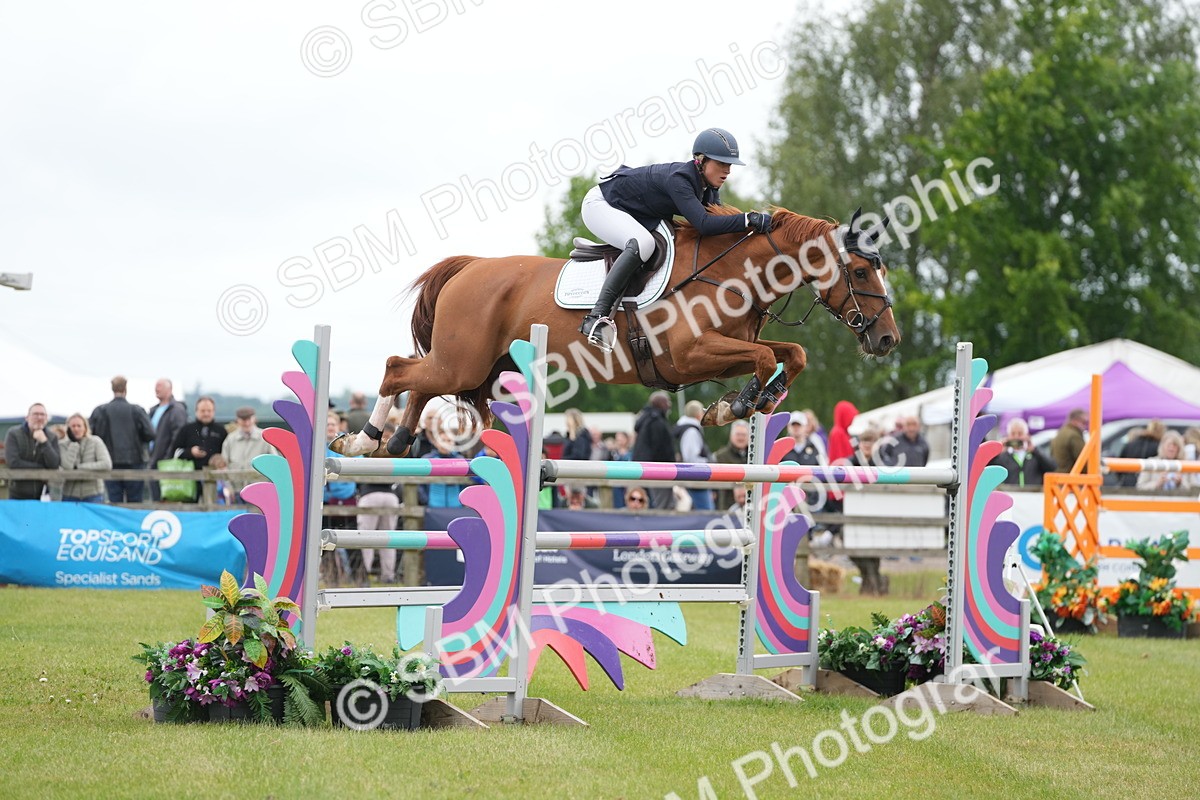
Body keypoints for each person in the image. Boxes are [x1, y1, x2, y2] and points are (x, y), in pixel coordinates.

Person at [577, 127, 774, 350]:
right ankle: (596, 316)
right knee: (643, 243)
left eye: (729, 165)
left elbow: (720, 228)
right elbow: (704, 224)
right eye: (721, 164)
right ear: (700, 161)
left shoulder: (708, 188)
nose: (727, 171)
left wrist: (753, 230)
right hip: (601, 204)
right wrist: (748, 219)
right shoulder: (679, 179)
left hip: (635, 211)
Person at [89, 376, 156, 503]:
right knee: (135, 502)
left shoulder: (100, 411)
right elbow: (151, 434)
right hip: (135, 462)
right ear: (126, 389)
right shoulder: (137, 411)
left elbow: (91, 434)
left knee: (114, 502)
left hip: (109, 462)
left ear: (112, 389)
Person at [170, 396, 227, 504]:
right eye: (202, 411)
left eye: (209, 411)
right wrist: (190, 452)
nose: (206, 413)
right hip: (190, 479)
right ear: (196, 411)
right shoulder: (187, 429)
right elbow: (175, 452)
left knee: (214, 509)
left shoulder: (221, 431)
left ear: (213, 412)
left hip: (214, 479)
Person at [4, 403, 61, 500]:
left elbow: (54, 464)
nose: (39, 417)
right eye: (35, 414)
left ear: (46, 418)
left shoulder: (52, 437)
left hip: (42, 494)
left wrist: (44, 442)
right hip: (18, 492)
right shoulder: (14, 433)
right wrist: (41, 468)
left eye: (42, 415)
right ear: (27, 417)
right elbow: (13, 462)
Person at [632, 391, 676, 509]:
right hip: (658, 470)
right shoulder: (657, 422)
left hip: (643, 468)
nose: (669, 405)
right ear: (660, 403)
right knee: (662, 505)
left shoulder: (646, 419)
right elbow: (660, 448)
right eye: (667, 402)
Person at [221, 407, 276, 500]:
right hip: (237, 492)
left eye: (249, 419)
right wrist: (229, 488)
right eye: (243, 420)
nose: (246, 423)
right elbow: (223, 466)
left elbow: (274, 464)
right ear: (237, 420)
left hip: (260, 491)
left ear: (254, 419)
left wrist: (269, 488)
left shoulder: (264, 438)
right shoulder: (230, 439)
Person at [146, 378, 188, 501]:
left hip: (167, 462)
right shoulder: (153, 410)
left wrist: (168, 457)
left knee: (168, 498)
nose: (156, 389)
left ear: (169, 389)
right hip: (152, 460)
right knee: (155, 497)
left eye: (160, 386)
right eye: (155, 386)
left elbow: (178, 435)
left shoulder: (176, 410)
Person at [58, 413, 112, 503]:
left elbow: (106, 464)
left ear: (85, 427)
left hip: (93, 494)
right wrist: (73, 444)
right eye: (73, 426)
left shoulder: (96, 441)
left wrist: (80, 467)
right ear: (67, 428)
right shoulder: (62, 445)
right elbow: (67, 467)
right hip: (70, 494)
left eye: (79, 426)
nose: (76, 429)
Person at [992, 418, 1054, 488]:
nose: (1016, 437)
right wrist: (997, 452)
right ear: (1008, 436)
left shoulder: (1035, 454)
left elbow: (1052, 468)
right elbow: (990, 470)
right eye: (1013, 434)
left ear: (1027, 435)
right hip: (1011, 493)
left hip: (1033, 494)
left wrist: (1035, 451)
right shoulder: (1003, 456)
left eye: (1020, 433)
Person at [675, 400, 714, 510]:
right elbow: (691, 458)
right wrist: (709, 463)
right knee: (707, 512)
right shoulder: (691, 431)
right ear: (698, 414)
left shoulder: (687, 428)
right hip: (696, 478)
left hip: (691, 477)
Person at [712, 420, 749, 510]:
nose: (741, 438)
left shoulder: (757, 457)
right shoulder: (719, 456)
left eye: (743, 435)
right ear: (731, 436)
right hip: (726, 507)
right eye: (738, 434)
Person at [1116, 420, 1164, 487]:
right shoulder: (1159, 447)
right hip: (1147, 484)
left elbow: (1119, 466)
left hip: (1127, 482)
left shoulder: (1131, 444)